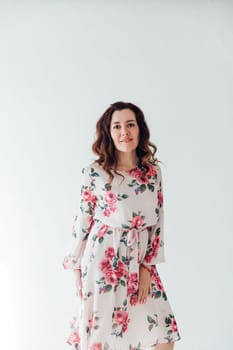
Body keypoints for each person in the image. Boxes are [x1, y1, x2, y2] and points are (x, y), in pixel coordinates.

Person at [63, 101, 181, 350]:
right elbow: (83, 218)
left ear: (140, 130)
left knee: (163, 336)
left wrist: (147, 267)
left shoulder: (152, 173)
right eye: (117, 126)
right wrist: (75, 265)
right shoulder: (95, 172)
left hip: (139, 260)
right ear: (109, 132)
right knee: (102, 338)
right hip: (104, 260)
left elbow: (158, 221)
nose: (124, 131)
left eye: (130, 124)